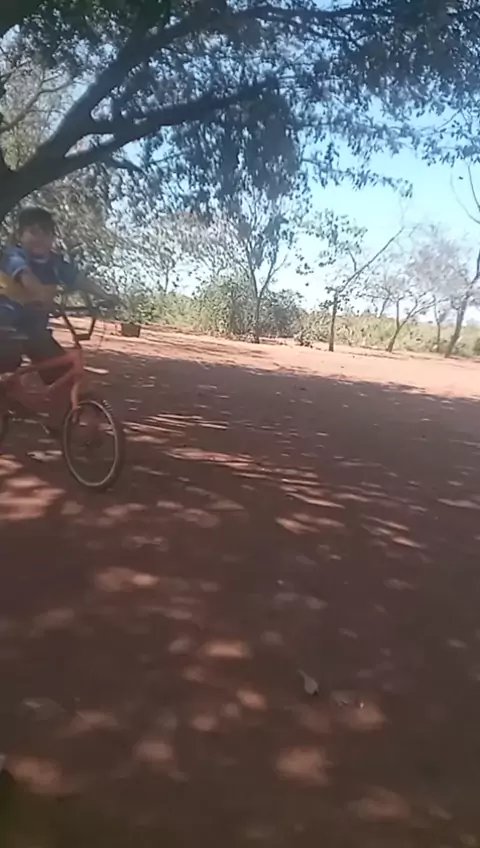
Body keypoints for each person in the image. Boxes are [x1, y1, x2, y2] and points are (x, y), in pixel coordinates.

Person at [0, 206, 117, 425]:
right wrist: (41, 296)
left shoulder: (55, 263)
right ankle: (9, 395)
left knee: (64, 374)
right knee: (7, 365)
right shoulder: (14, 256)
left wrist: (105, 295)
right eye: (34, 232)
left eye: (47, 232)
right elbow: (26, 277)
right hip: (6, 327)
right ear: (19, 235)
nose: (41, 238)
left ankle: (59, 425)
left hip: (35, 330)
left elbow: (79, 279)